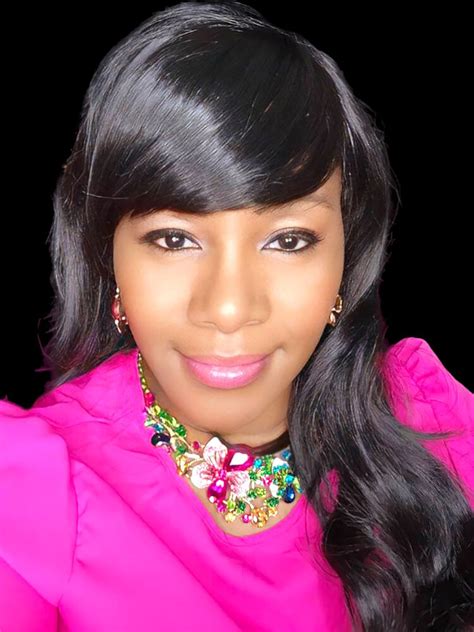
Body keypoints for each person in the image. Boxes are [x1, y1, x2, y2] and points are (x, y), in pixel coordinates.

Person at [1, 2, 473, 631]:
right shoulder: (33, 492)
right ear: (108, 260)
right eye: (174, 239)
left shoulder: (431, 420)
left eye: (288, 240)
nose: (228, 310)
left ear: (346, 258)